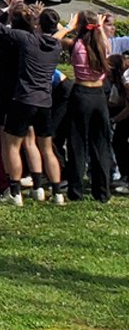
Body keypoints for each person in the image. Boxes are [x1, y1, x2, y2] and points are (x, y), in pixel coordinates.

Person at [0, 4, 63, 205]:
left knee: (11, 144)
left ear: (38, 25)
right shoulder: (56, 45)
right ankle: (53, 191)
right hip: (45, 101)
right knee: (44, 147)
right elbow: (61, 30)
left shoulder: (27, 40)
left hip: (24, 98)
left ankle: (15, 191)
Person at [60, 10, 113, 202]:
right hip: (99, 96)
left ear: (80, 26)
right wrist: (98, 26)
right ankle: (102, 192)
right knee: (100, 144)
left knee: (77, 144)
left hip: (81, 93)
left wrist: (69, 27)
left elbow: (53, 39)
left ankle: (76, 191)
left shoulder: (75, 44)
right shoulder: (103, 45)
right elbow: (101, 36)